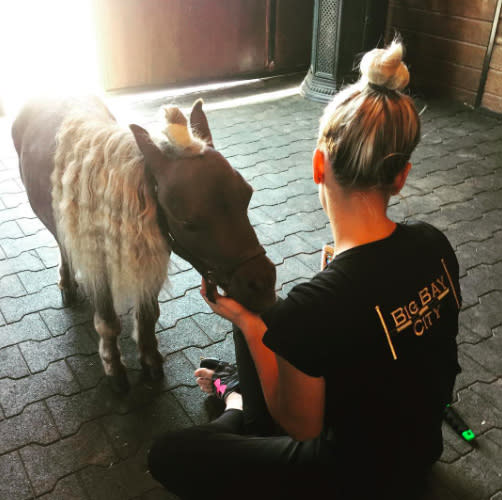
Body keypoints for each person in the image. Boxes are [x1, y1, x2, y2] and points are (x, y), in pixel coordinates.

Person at [147, 40, 461, 500]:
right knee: (269, 317)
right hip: (418, 449)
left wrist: (249, 325)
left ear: (318, 166)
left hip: (350, 478)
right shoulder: (436, 243)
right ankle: (242, 406)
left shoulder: (316, 306)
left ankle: (234, 403)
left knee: (169, 453)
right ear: (400, 176)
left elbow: (300, 427)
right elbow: (378, 327)